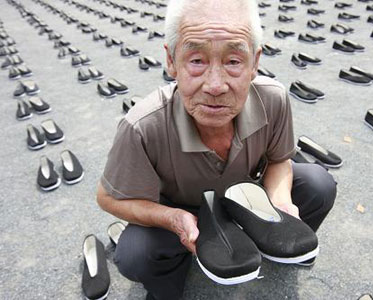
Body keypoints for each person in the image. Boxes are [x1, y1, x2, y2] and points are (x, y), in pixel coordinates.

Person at [96, 0, 336, 299]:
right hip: (185, 207)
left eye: (234, 61)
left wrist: (279, 202)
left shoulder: (273, 99)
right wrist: (173, 219)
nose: (215, 85)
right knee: (135, 253)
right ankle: (171, 284)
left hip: (247, 199)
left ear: (255, 63)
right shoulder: (143, 126)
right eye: (196, 60)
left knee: (318, 184)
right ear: (171, 60)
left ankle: (270, 247)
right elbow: (108, 197)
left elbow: (279, 161)